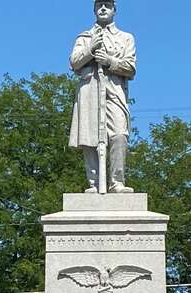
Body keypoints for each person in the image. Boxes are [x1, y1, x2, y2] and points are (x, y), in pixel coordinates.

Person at [69, 0, 137, 194]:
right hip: (89, 89)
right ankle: (94, 183)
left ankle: (117, 182)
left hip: (115, 90)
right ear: (94, 10)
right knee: (89, 137)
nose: (103, 9)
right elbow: (74, 62)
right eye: (99, 5)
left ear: (115, 10)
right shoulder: (85, 37)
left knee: (119, 134)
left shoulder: (126, 38)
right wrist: (91, 48)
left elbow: (131, 68)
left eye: (107, 5)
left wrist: (109, 61)